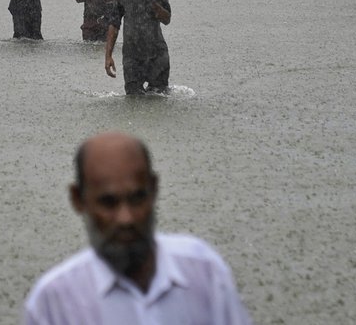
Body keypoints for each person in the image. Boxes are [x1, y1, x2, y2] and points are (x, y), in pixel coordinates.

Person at [23, 132, 252, 325]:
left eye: (137, 199)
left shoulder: (205, 273)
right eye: (108, 203)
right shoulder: (53, 304)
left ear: (154, 189)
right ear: (78, 200)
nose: (126, 219)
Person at [104, 0, 171, 95]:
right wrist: (108, 55)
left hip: (156, 54)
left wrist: (152, 1)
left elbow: (166, 19)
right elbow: (114, 24)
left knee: (158, 98)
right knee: (133, 98)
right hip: (132, 55)